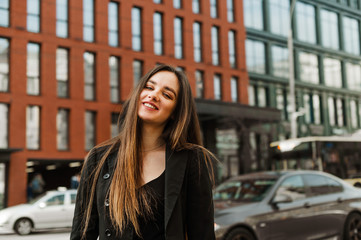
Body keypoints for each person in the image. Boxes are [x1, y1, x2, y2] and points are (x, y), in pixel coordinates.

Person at [70, 64, 216, 240]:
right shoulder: (99, 158)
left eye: (167, 94)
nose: (153, 95)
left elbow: (202, 234)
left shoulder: (192, 160)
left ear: (175, 113)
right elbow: (82, 234)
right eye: (149, 87)